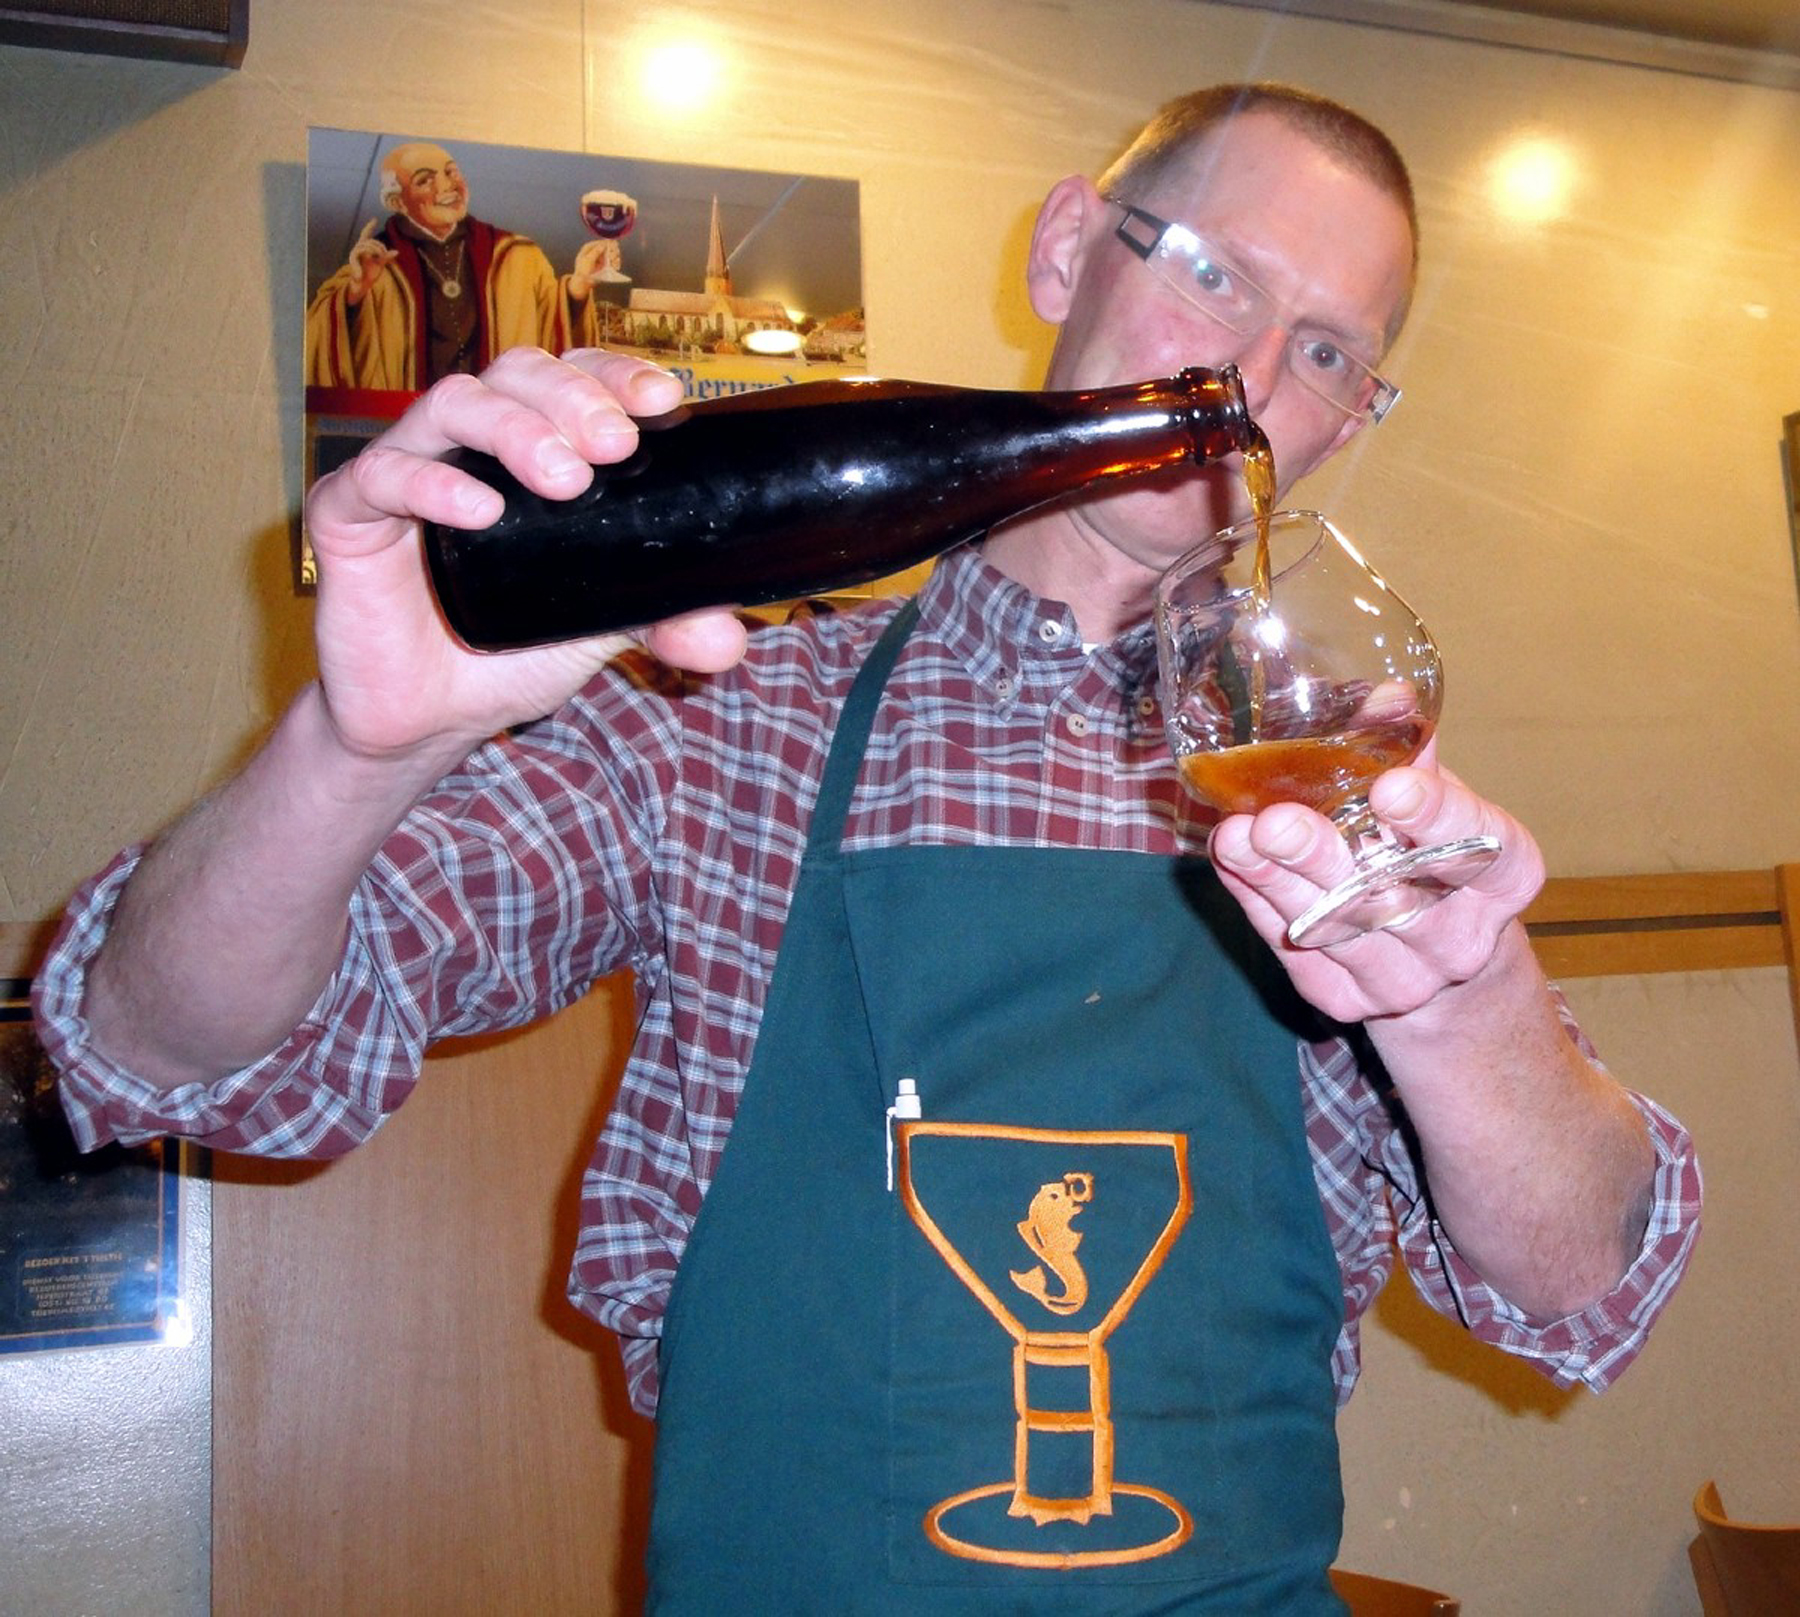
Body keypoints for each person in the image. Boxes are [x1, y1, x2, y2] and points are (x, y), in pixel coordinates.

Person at [37, 83, 1698, 1611]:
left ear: (1352, 422)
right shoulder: (720, 718)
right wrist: (355, 753)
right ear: (1068, 249)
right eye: (1214, 275)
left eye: (1329, 352)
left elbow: (1579, 1285)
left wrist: (1464, 997)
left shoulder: (1336, 789)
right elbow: (168, 1055)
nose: (1252, 380)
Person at [305, 139, 611, 391]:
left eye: (451, 172)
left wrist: (578, 286)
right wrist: (355, 294)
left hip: (496, 426)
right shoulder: (375, 263)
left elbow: (549, 321)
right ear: (398, 202)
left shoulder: (516, 255)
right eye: (425, 180)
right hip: (409, 427)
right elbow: (320, 342)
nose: (446, 186)